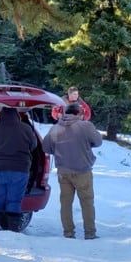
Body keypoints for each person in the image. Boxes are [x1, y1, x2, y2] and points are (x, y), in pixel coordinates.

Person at [43, 102, 103, 239]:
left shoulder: (55, 128)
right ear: (79, 113)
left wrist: (57, 150)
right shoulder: (85, 126)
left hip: (63, 171)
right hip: (83, 170)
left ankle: (68, 232)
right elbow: (98, 141)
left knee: (65, 203)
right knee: (87, 202)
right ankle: (90, 233)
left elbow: (46, 147)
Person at [0, 107, 36, 232]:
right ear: (17, 116)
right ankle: (13, 231)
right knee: (14, 200)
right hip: (19, 169)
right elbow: (34, 145)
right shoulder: (26, 128)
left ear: (0, 116)